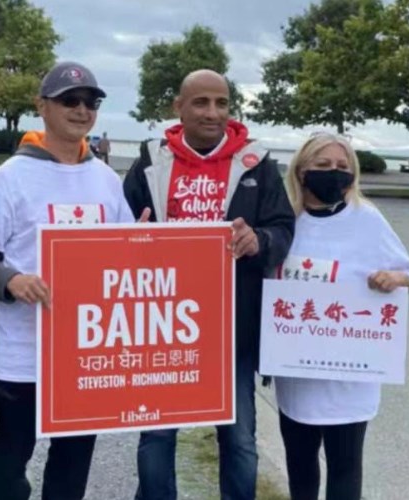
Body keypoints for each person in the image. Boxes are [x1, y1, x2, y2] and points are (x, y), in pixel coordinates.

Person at [0, 61, 143, 500]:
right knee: (9, 461)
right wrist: (11, 280)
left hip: (86, 354)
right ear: (42, 107)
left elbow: (122, 258)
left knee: (72, 464)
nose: (82, 110)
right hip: (24, 353)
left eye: (91, 102)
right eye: (70, 101)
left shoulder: (104, 178)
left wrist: (143, 242)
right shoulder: (9, 178)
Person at [123, 69, 296, 500]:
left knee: (238, 439)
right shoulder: (150, 162)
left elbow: (282, 229)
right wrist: (131, 237)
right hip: (161, 328)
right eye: (200, 103)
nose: (212, 113)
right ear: (178, 108)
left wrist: (259, 240)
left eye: (221, 103)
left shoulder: (257, 163)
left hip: (230, 330)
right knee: (157, 436)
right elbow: (116, 233)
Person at [273, 133, 409, 500]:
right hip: (299, 372)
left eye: (342, 167)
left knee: (346, 467)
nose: (333, 174)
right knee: (301, 466)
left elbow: (408, 273)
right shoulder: (285, 221)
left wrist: (394, 278)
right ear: (302, 170)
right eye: (322, 166)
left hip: (351, 375)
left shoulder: (366, 218)